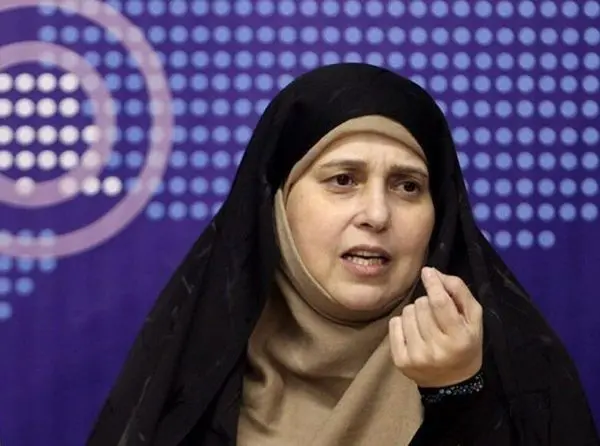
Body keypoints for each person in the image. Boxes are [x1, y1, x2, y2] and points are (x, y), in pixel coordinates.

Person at [87, 63, 599, 446]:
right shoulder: (191, 379)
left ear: (439, 216)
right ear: (278, 205)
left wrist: (459, 392)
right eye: (343, 180)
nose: (376, 214)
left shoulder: (513, 371)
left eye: (407, 186)